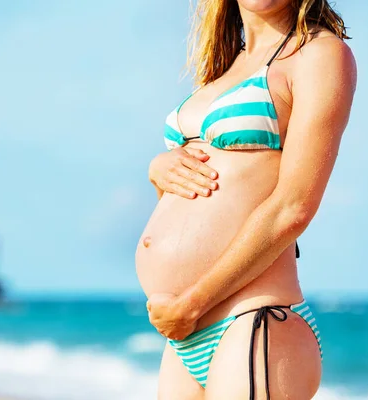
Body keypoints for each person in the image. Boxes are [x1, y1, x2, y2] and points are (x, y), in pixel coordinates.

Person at [135, 0, 356, 398]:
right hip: (188, 333)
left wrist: (191, 303)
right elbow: (200, 196)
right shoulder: (223, 67)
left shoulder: (317, 54)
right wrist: (158, 169)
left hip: (253, 320)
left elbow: (293, 207)